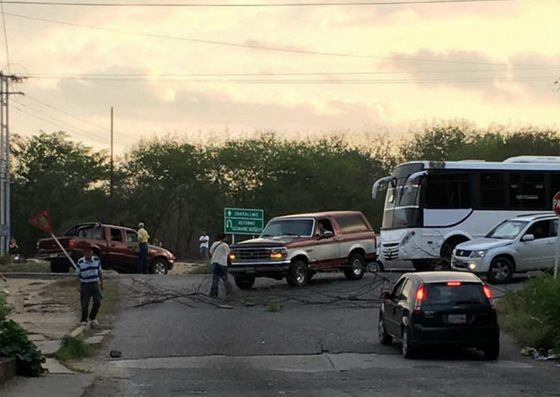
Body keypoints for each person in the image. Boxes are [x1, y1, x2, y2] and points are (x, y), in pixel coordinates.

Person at [76, 246, 103, 327]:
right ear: (84, 253)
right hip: (85, 284)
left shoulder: (96, 260)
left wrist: (101, 282)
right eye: (87, 252)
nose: (89, 254)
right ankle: (84, 319)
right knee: (85, 303)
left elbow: (100, 272)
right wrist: (78, 285)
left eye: (90, 252)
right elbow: (77, 275)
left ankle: (93, 317)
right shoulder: (80, 262)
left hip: (95, 283)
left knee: (97, 302)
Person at [209, 233, 233, 299]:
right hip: (222, 263)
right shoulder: (225, 245)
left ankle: (213, 294)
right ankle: (228, 293)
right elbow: (228, 254)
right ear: (224, 238)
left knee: (215, 279)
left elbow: (211, 252)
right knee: (225, 278)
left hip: (214, 262)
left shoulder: (214, 244)